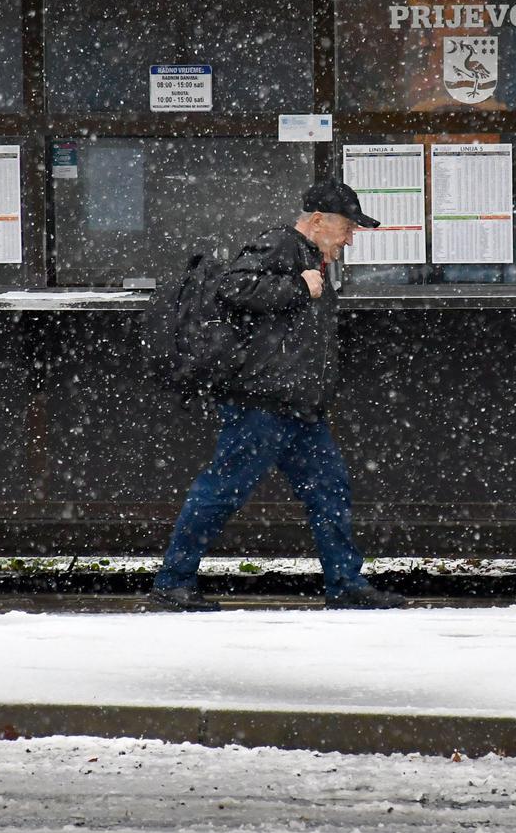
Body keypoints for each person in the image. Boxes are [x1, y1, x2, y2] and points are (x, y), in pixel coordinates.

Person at [149, 180, 409, 612]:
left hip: (299, 407)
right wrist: (296, 287)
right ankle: (173, 581)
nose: (350, 238)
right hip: (262, 404)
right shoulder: (280, 244)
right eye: (347, 228)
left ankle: (345, 584)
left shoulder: (312, 258)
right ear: (319, 220)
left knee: (329, 489)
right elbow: (232, 288)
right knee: (222, 489)